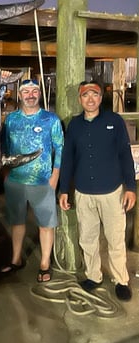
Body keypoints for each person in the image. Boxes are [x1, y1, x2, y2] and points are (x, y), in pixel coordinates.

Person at [58, 80, 136, 301]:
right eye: (85, 95)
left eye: (95, 94)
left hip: (112, 192)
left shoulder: (115, 121)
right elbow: (68, 159)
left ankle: (121, 280)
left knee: (115, 239)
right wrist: (64, 189)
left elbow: (125, 155)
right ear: (80, 99)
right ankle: (93, 276)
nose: (90, 99)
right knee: (87, 238)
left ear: (101, 98)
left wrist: (130, 187)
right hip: (83, 192)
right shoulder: (74, 125)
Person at [0, 78, 64, 283]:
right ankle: (15, 258)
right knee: (16, 223)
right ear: (19, 95)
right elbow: (3, 148)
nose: (30, 95)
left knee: (46, 224)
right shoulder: (11, 120)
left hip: (43, 181)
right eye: (26, 92)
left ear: (39, 94)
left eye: (34, 91)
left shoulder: (51, 119)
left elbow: (60, 149)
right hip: (16, 180)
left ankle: (44, 263)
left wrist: (55, 177)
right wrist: (5, 174)